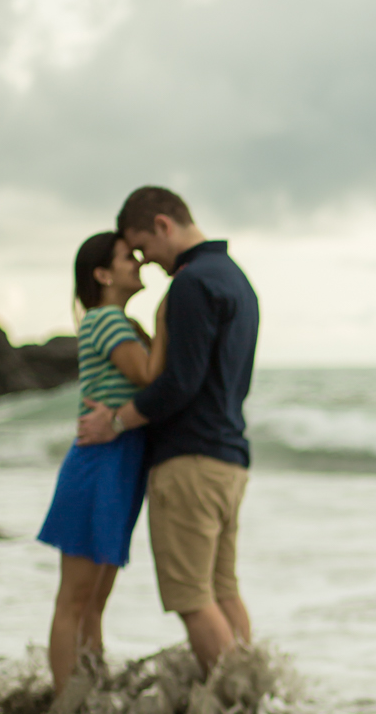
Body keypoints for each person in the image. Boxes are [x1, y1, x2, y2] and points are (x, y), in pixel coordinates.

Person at [76, 186, 259, 675]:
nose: (147, 262)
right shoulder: (236, 280)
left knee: (193, 600)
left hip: (189, 462)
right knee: (223, 591)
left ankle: (236, 702)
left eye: (143, 247)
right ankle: (256, 699)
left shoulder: (191, 283)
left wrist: (116, 421)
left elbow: (178, 383)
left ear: (162, 225)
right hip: (229, 459)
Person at [39, 231, 167, 692]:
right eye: (127, 258)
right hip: (100, 464)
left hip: (118, 464)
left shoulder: (116, 322)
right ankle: (65, 705)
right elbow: (149, 374)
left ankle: (89, 694)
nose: (139, 264)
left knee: (92, 602)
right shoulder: (107, 320)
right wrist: (167, 317)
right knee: (76, 600)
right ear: (103, 274)